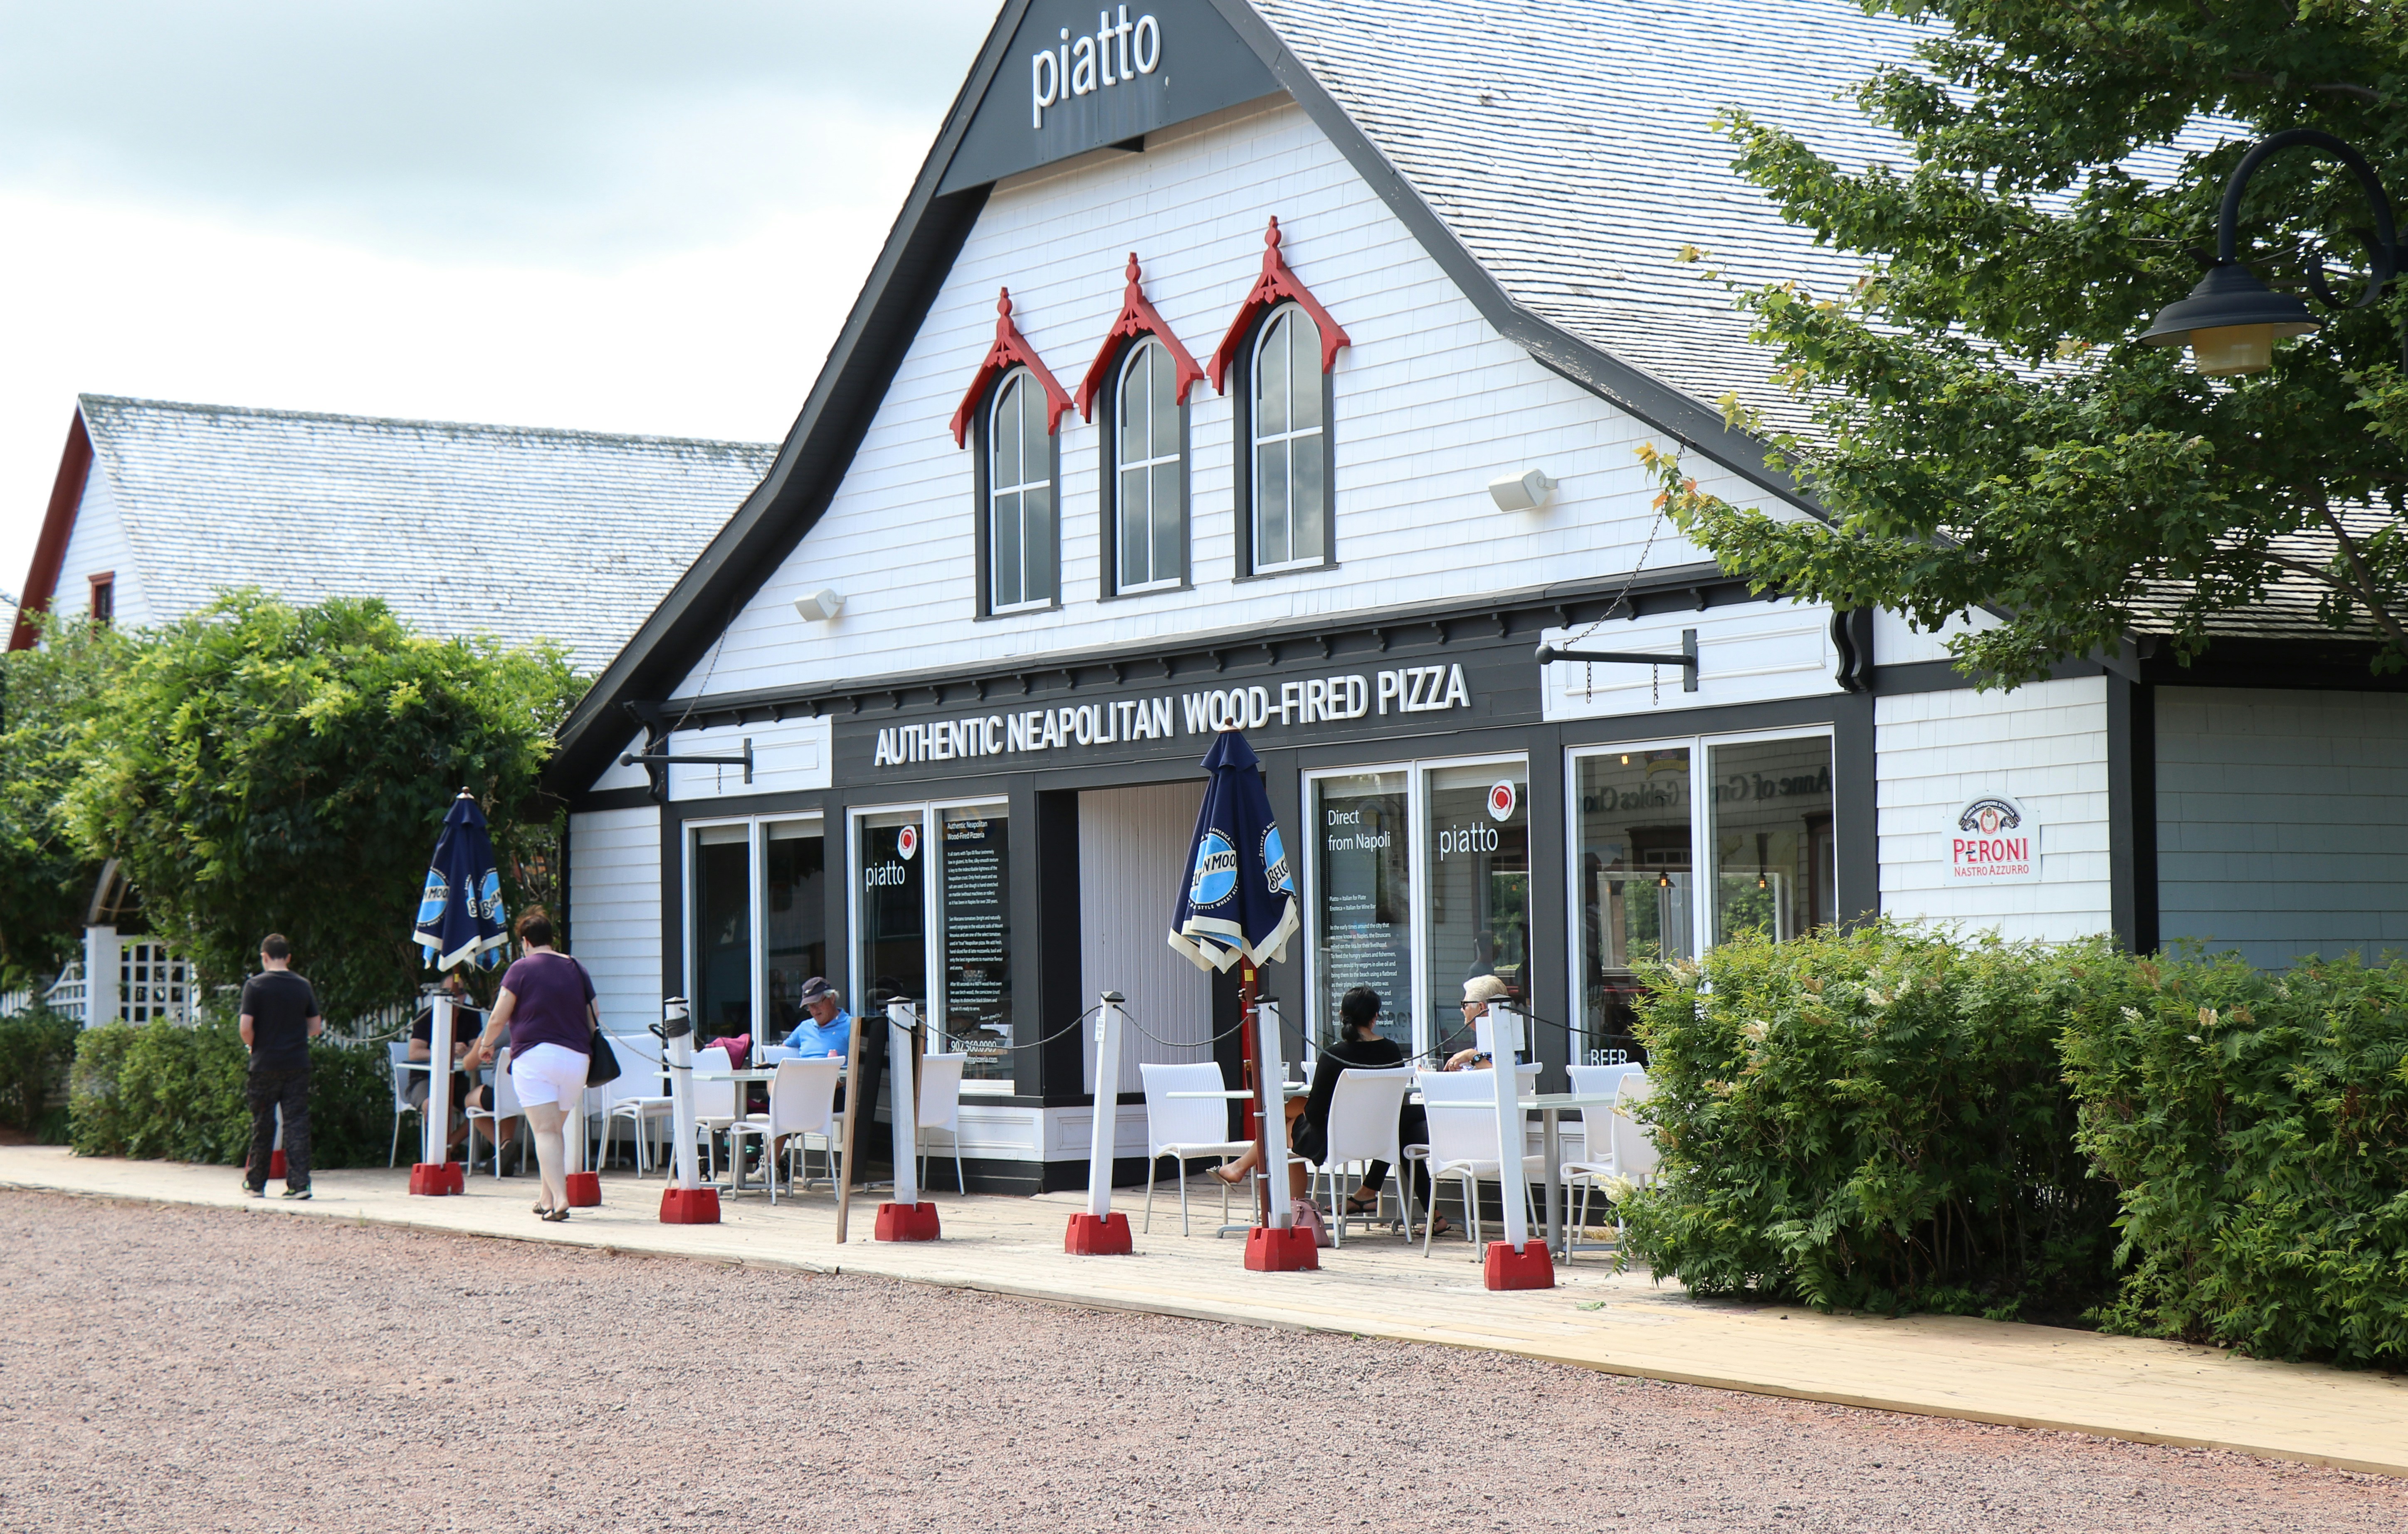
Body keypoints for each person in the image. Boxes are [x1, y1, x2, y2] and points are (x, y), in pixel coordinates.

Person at [464, 909, 596, 1221]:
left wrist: (484, 1047)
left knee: (546, 1131)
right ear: (551, 939)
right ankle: (545, 1197)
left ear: (525, 941)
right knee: (554, 1130)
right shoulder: (576, 967)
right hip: (577, 1060)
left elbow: (498, 1017)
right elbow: (595, 1018)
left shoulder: (521, 969)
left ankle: (561, 1201)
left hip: (536, 1057)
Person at [239, 934, 323, 1200]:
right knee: (296, 1122)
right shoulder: (303, 985)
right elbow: (315, 1027)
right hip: (297, 1063)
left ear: (264, 957)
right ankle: (300, 1184)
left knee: (263, 1123)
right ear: (288, 957)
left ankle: (256, 1183)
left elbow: (245, 1027)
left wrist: (255, 1045)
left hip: (264, 1063)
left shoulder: (255, 986)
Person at [406, 972, 478, 1152]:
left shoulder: (471, 1015)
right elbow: (415, 1053)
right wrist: (445, 1050)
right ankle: (434, 1153)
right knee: (432, 1105)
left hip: (457, 1078)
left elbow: (476, 1049)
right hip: (425, 1078)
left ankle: (448, 1147)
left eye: (459, 991)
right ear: (439, 995)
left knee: (480, 1107)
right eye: (448, 992)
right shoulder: (427, 1015)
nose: (454, 996)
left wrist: (466, 1051)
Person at [1443, 973, 1514, 1070]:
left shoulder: (1504, 1035)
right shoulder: (1485, 1037)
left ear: (1481, 1008)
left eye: (1465, 1005)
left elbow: (1501, 1076)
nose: (1462, 1010)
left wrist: (1472, 1055)